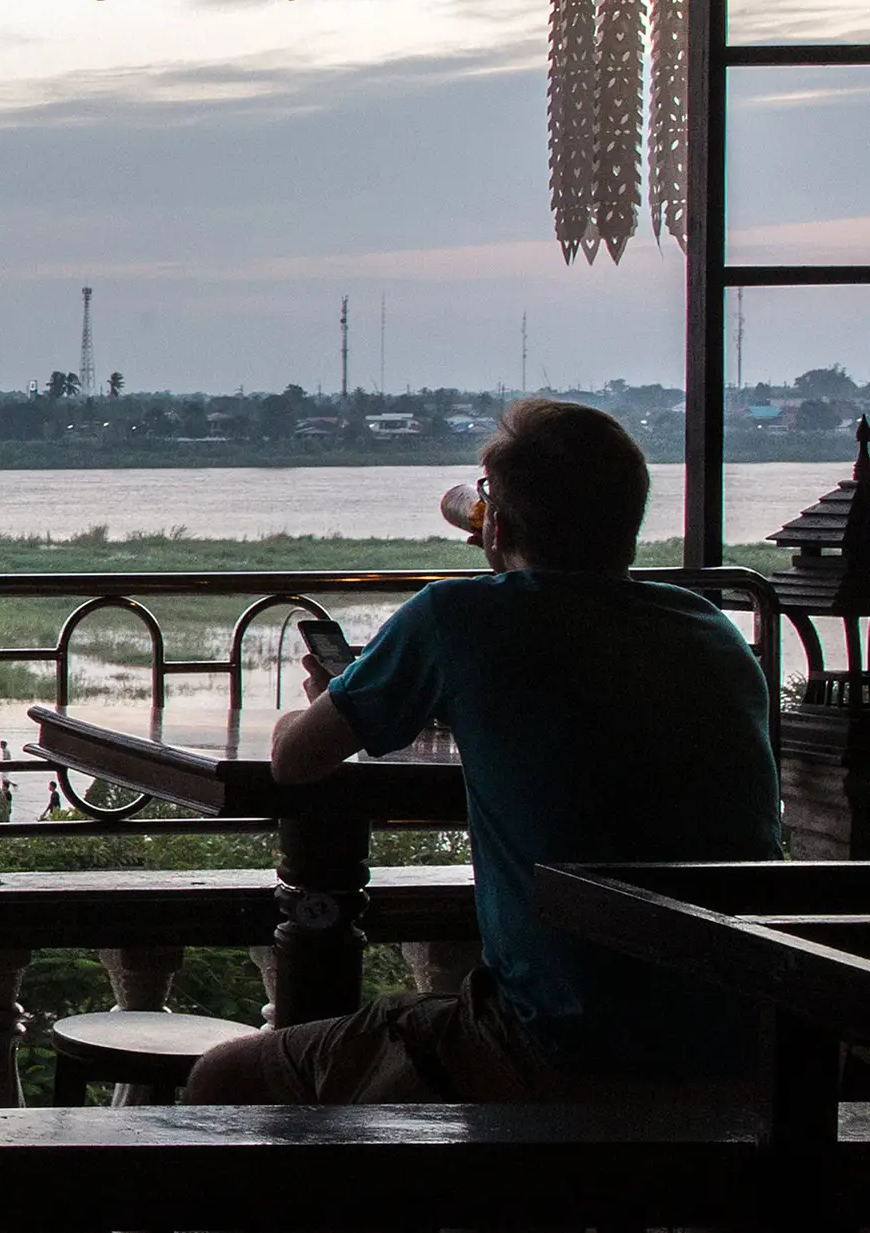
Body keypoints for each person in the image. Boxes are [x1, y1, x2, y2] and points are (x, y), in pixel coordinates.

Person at [190, 397, 782, 1108]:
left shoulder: (457, 617)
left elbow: (296, 761)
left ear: (494, 524)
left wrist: (325, 699)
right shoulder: (708, 628)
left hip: (563, 1045)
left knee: (224, 1081)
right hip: (747, 1041)